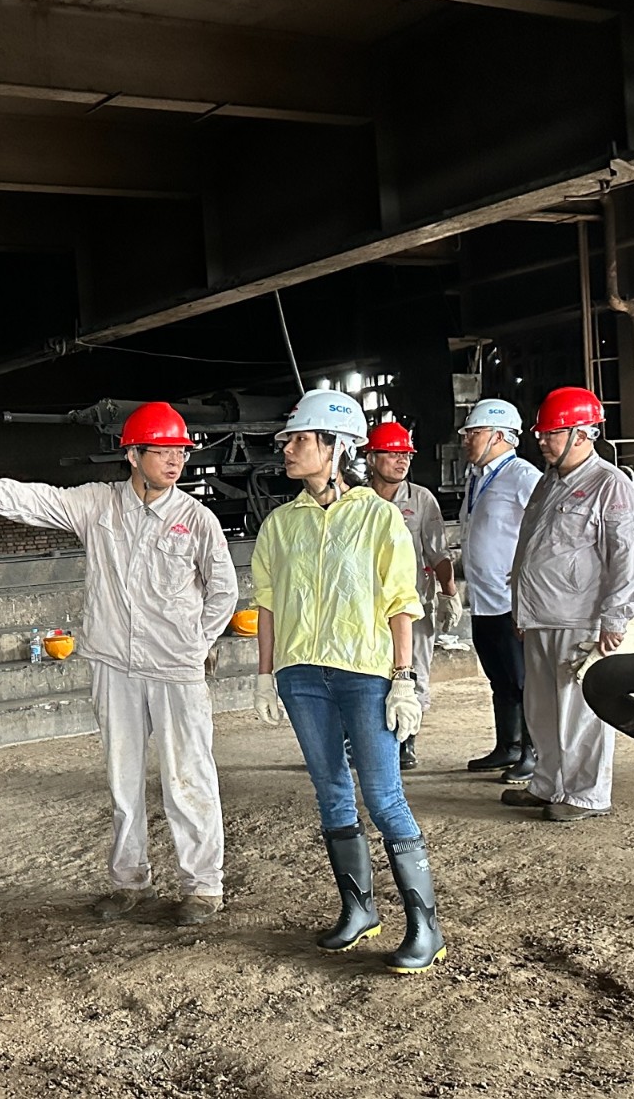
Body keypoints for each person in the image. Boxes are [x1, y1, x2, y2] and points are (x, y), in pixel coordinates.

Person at [0, 401, 237, 926]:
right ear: (133, 455)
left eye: (181, 452)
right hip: (113, 664)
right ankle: (129, 882)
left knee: (188, 778)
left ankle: (203, 887)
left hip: (174, 668)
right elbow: (43, 500)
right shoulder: (98, 505)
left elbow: (224, 591)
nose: (175, 461)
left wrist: (195, 644)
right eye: (163, 451)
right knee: (123, 779)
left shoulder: (196, 520)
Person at [251, 389, 444, 974]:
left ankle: (425, 927)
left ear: (335, 447)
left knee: (384, 797)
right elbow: (267, 604)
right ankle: (359, 910)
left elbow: (401, 601)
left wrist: (404, 677)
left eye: (300, 439)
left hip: (365, 673)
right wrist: (265, 674)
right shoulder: (280, 525)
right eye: (288, 440)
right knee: (331, 790)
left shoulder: (379, 518)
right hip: (301, 675)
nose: (288, 449)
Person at [503, 387, 634, 822]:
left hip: (580, 618)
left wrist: (615, 617)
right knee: (542, 709)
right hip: (540, 616)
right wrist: (521, 607)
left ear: (582, 434)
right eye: (541, 434)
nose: (542, 442)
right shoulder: (548, 481)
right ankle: (548, 783)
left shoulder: (610, 484)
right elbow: (530, 547)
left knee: (580, 710)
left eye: (551, 433)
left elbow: (627, 557)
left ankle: (586, 794)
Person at [365, 421, 459, 769]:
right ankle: (365, 738)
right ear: (371, 458)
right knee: (369, 671)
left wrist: (449, 593)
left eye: (406, 454)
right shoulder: (357, 500)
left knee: (413, 670)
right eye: (393, 454)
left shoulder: (421, 500)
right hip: (367, 605)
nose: (402, 461)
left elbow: (438, 553)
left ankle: (407, 740)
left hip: (412, 605)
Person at [457, 399, 542, 783]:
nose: (466, 439)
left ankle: (533, 752)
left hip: (512, 603)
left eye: (473, 432)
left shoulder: (523, 476)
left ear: (500, 436)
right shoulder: (476, 477)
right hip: (483, 599)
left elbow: (543, 531)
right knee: (500, 678)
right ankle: (507, 745)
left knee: (524, 681)